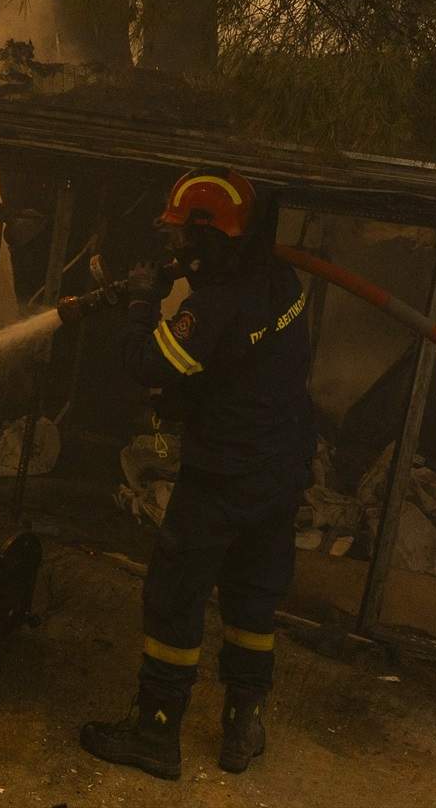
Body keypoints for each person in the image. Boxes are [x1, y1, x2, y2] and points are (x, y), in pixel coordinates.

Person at [79, 167, 314, 780]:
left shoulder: (213, 308)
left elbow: (147, 364)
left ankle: (155, 736)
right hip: (280, 471)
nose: (176, 249)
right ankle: (243, 728)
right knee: (253, 598)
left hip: (223, 479)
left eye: (185, 238)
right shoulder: (282, 283)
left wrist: (141, 302)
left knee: (175, 597)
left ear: (214, 238)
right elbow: (244, 361)